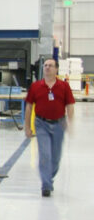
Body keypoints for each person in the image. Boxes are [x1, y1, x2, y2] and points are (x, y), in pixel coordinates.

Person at [23, 59, 75, 197]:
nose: (47, 67)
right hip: (41, 124)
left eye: (50, 65)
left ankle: (48, 178)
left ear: (56, 69)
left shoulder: (64, 86)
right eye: (45, 65)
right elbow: (29, 107)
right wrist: (27, 127)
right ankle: (46, 185)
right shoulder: (36, 86)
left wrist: (70, 123)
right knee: (45, 154)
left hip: (59, 124)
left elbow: (70, 105)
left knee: (55, 158)